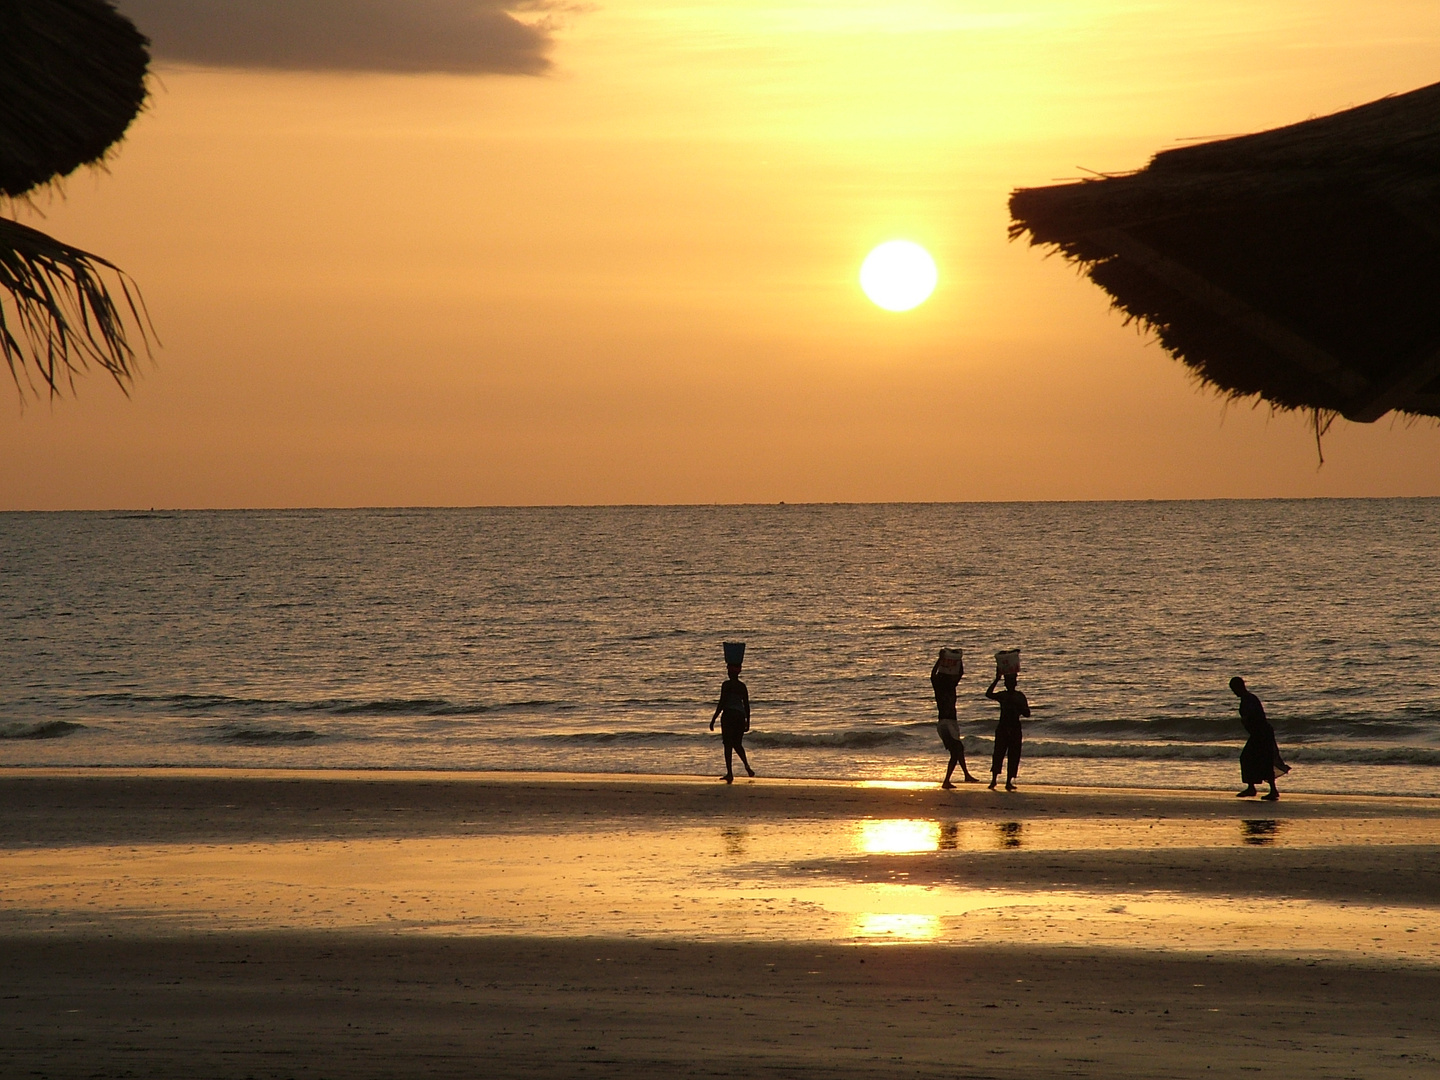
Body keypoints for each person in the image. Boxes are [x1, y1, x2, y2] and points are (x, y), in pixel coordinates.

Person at [1230, 676, 1288, 801]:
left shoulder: (1248, 699)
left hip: (1262, 733)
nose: (1233, 692)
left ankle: (1268, 790)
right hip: (1259, 733)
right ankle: (1254, 787)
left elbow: (1254, 718)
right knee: (1255, 759)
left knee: (1259, 759)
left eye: (1234, 689)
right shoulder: (1248, 698)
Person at [931, 652, 978, 787]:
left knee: (959, 750)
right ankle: (947, 781)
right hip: (945, 723)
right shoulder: (940, 689)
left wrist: (959, 659)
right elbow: (932, 675)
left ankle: (966, 775)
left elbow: (960, 673)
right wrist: (939, 660)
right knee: (956, 750)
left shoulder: (950, 687)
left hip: (952, 723)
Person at [985, 666, 1030, 791]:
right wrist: (996, 679)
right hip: (1003, 728)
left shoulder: (1019, 696)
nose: (1010, 684)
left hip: (1014, 728)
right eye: (1008, 682)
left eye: (1012, 681)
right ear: (1006, 683)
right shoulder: (1003, 695)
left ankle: (1008, 781)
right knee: (998, 754)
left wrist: (1020, 708)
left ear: (1014, 683)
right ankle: (994, 780)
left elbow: (1027, 713)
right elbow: (988, 694)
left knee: (1013, 755)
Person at [710, 664, 754, 784]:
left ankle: (730, 773)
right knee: (738, 744)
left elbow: (722, 702)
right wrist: (747, 721)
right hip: (740, 716)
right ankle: (746, 765)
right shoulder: (742, 686)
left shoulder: (727, 685)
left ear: (730, 673)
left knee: (728, 745)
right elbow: (746, 705)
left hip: (729, 715)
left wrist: (714, 718)